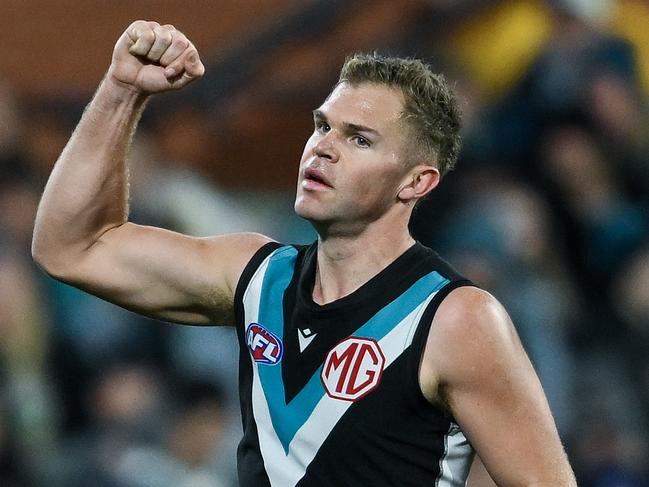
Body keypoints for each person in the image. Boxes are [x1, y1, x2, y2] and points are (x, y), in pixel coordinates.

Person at [32, 20, 576, 487]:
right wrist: (122, 92)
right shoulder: (257, 277)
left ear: (416, 182)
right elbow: (71, 246)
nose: (323, 146)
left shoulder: (457, 320)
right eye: (322, 126)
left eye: (359, 139)